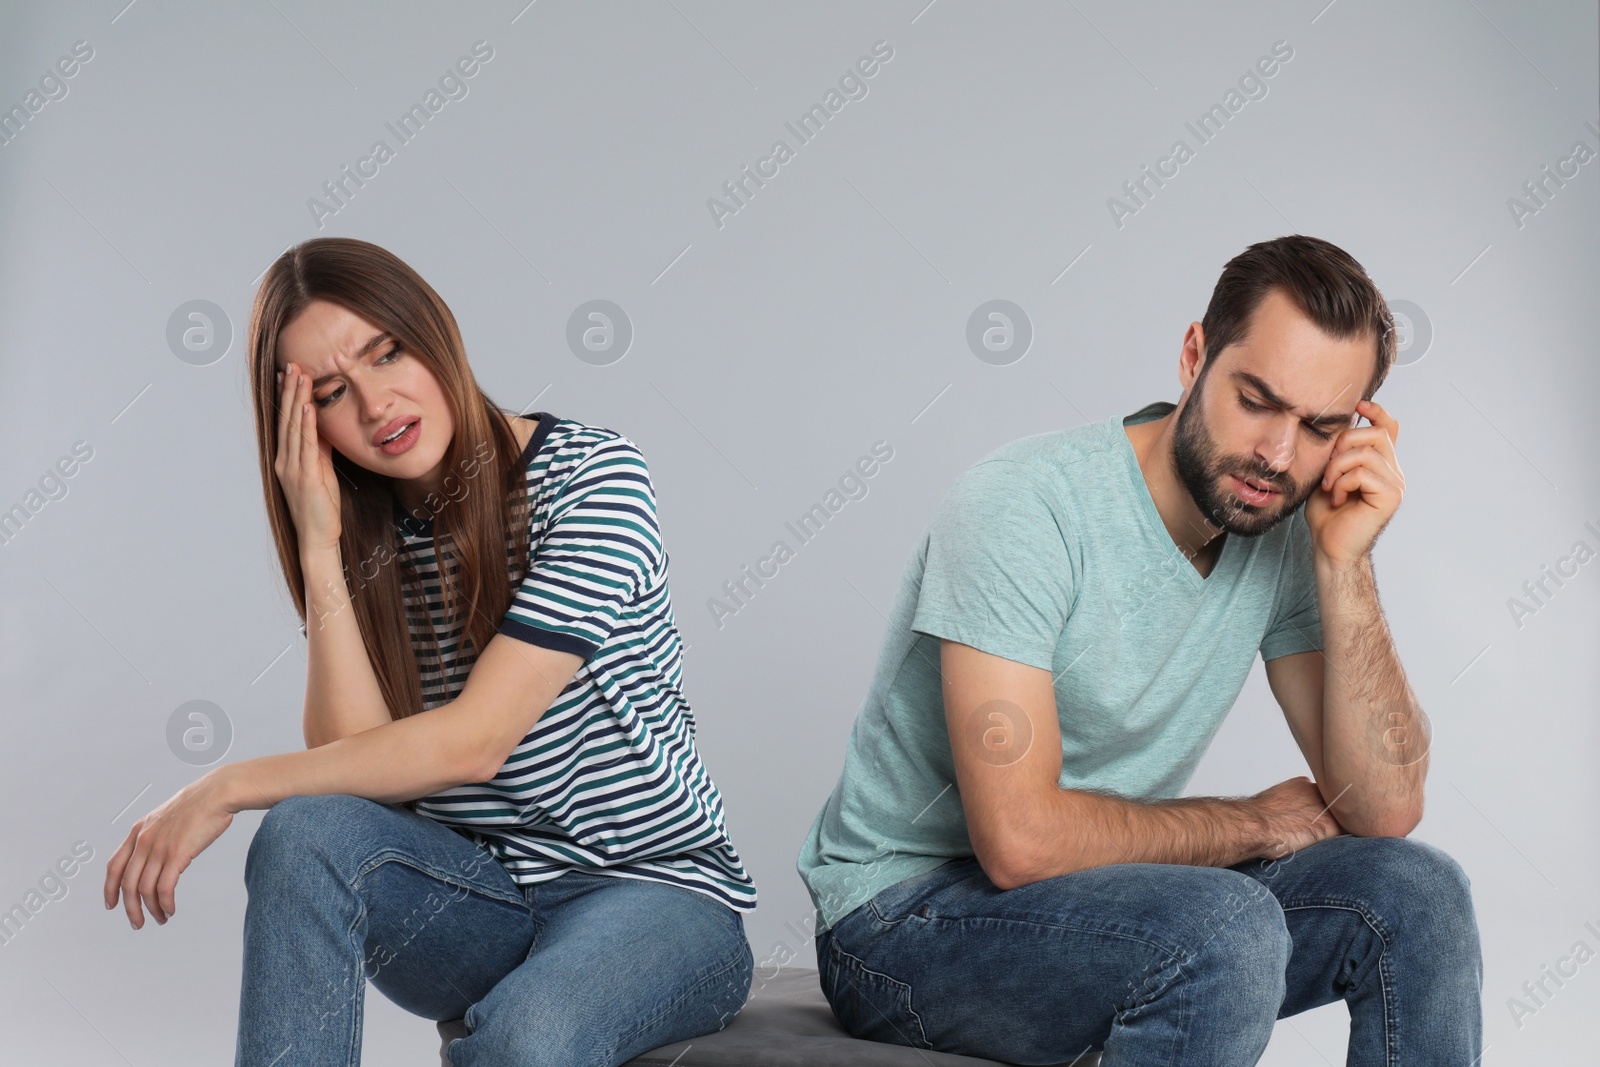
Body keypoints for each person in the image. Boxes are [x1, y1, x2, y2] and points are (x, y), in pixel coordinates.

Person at [795, 234, 1482, 1065]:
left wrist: (1347, 560)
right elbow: (1019, 840)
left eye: (1317, 427)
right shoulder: (1025, 506)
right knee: (1225, 929)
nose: (1276, 454)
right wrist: (1253, 821)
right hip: (902, 918)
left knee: (1418, 893)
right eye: (1257, 400)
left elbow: (1382, 809)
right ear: (1194, 355)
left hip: (1104, 896)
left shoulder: (1284, 530)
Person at [102, 236, 756, 1066]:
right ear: (307, 427)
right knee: (305, 833)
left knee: (525, 1037)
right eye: (335, 391)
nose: (377, 405)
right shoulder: (366, 542)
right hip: (476, 903)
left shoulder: (594, 481)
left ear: (433, 331)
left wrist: (227, 784)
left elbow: (475, 742)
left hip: (654, 895)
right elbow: (358, 777)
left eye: (388, 353)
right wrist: (319, 545)